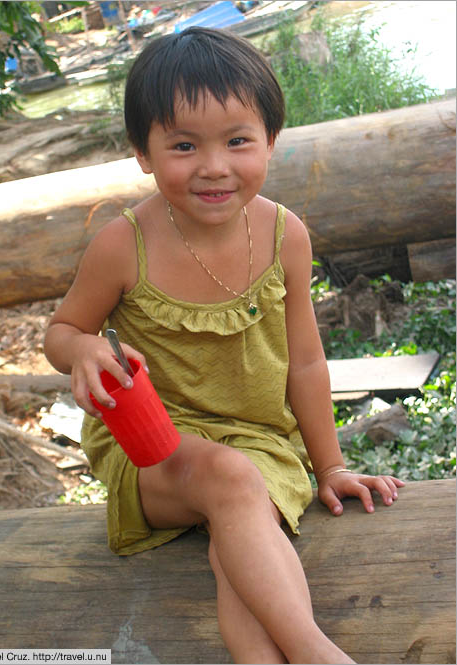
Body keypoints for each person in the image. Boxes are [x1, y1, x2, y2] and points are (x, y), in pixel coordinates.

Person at [44, 27, 404, 664]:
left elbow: (306, 362)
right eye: (183, 145)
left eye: (237, 141)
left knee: (235, 536)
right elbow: (61, 332)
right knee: (229, 480)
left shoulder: (284, 235)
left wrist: (333, 468)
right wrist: (83, 352)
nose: (214, 166)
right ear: (143, 152)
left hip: (259, 439)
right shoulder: (123, 245)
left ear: (271, 140)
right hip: (154, 447)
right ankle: (321, 655)